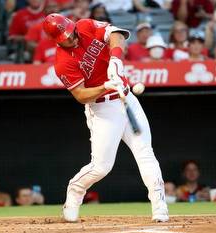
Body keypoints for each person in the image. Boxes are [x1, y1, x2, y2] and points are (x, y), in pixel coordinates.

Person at [42, 13, 168, 222]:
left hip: (127, 98)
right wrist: (104, 87)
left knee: (145, 152)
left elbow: (116, 34)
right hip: (102, 110)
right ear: (57, 40)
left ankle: (160, 208)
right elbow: (81, 95)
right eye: (65, 37)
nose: (71, 38)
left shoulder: (84, 26)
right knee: (101, 167)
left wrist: (116, 61)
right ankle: (75, 190)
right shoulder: (62, 62)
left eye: (70, 32)